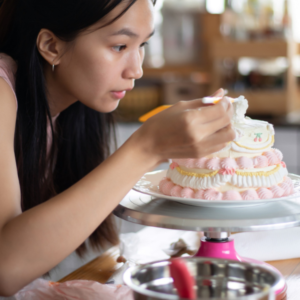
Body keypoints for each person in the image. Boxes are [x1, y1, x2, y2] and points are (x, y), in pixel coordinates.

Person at [0, 0, 235, 296]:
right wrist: (147, 148)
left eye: (143, 44)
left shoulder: (74, 107)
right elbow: (5, 267)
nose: (136, 70)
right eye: (120, 47)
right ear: (51, 46)